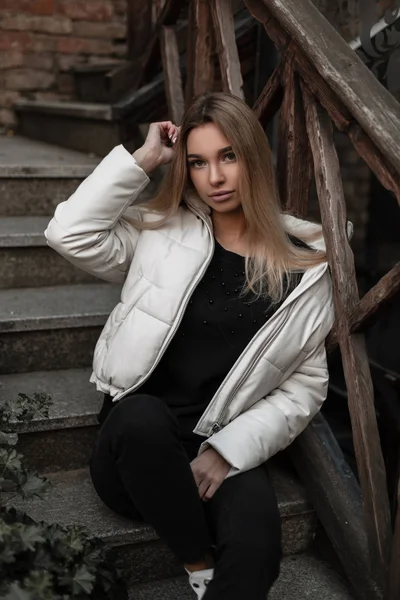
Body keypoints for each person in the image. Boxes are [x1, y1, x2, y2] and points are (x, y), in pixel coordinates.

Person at [45, 92, 334, 600]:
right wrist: (144, 160)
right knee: (138, 417)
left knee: (256, 546)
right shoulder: (161, 232)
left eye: (228, 157)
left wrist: (226, 452)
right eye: (198, 162)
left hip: (215, 442)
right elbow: (69, 232)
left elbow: (303, 390)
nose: (215, 178)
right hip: (134, 455)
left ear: (254, 159)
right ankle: (198, 566)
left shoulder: (304, 270)